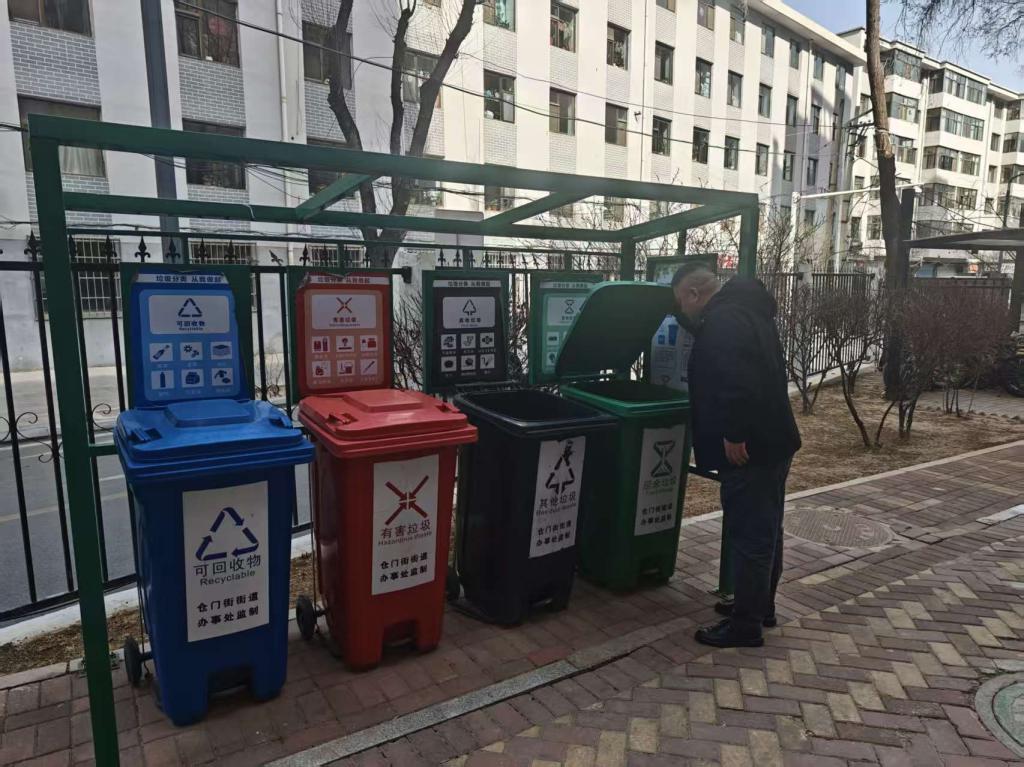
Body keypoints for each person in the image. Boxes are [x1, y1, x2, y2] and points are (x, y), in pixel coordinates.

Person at [672, 263, 801, 648]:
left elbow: (736, 380)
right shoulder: (747, 310)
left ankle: (746, 625)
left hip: (751, 447)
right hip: (774, 440)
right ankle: (760, 606)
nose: (682, 310)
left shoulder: (723, 321)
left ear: (694, 294)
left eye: (681, 302)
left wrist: (734, 433)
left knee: (750, 534)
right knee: (766, 529)